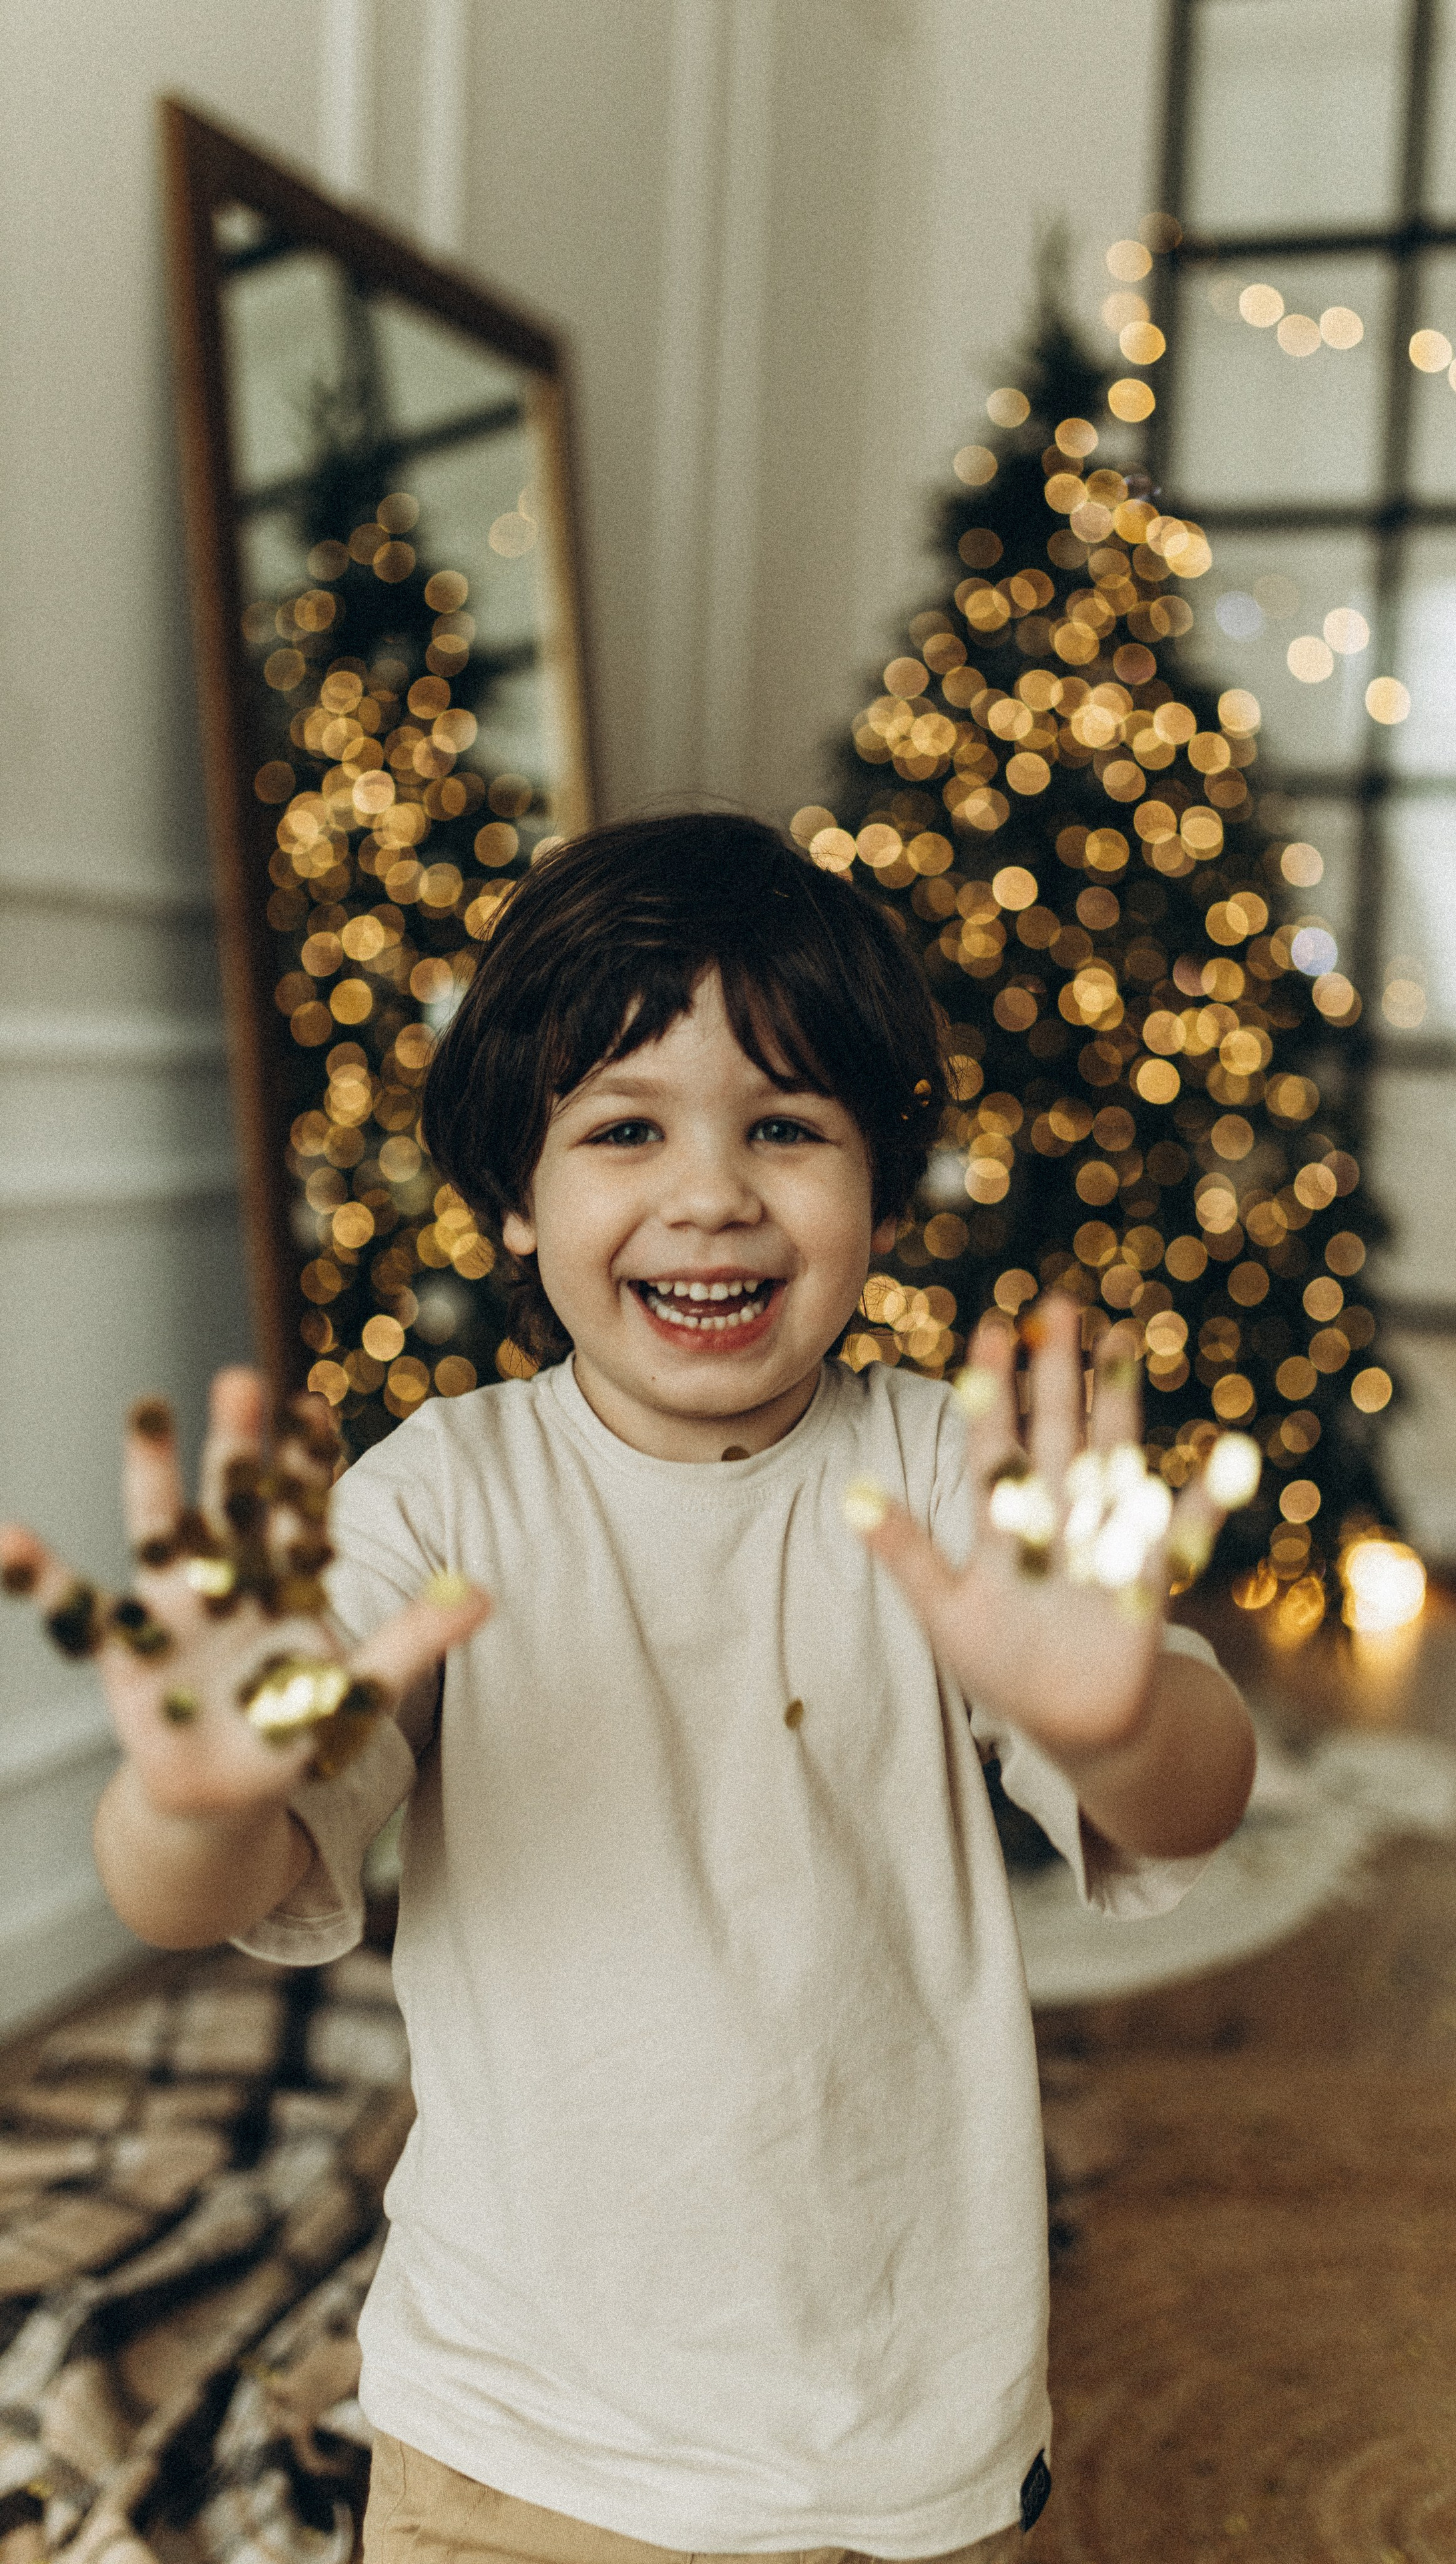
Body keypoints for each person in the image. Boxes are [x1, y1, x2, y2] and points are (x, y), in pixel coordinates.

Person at [1, 813, 1256, 2564]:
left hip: (905, 2433)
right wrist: (189, 1799)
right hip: (518, 2442)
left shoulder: (950, 1488)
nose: (712, 1190)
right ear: (518, 1196)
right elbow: (211, 1883)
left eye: (787, 1128)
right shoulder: (437, 1500)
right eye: (624, 1129)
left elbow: (1192, 1803)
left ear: (883, 1193)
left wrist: (1115, 1720)